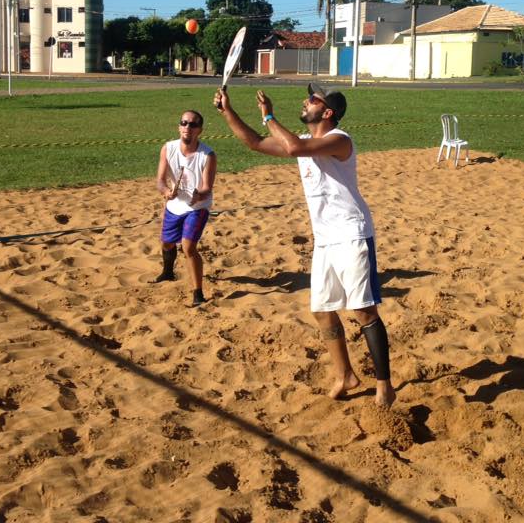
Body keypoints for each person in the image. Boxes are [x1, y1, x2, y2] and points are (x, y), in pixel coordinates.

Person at [213, 84, 395, 407]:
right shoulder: (303, 143)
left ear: (327, 113)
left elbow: (294, 147)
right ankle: (345, 375)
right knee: (322, 311)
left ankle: (385, 385)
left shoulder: (341, 139)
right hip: (326, 239)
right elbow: (254, 143)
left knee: (363, 311)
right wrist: (227, 110)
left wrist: (269, 114)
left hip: (353, 233)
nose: (306, 100)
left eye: (313, 99)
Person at [154, 110, 216, 306]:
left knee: (188, 246)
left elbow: (207, 187)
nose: (188, 127)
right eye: (184, 123)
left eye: (193, 124)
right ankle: (167, 272)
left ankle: (198, 294)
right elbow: (160, 181)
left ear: (200, 130)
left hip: (197, 207)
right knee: (167, 244)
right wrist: (165, 191)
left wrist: (199, 194)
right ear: (179, 127)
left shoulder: (207, 155)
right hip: (175, 205)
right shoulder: (168, 148)